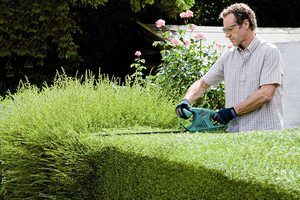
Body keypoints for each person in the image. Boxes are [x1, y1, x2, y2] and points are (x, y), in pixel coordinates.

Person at [175, 3, 283, 132]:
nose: (227, 35)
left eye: (230, 29)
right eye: (225, 30)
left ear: (245, 24)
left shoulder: (269, 52)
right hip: (235, 134)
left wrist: (232, 112)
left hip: (264, 132)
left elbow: (266, 94)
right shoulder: (229, 56)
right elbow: (203, 84)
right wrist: (186, 100)